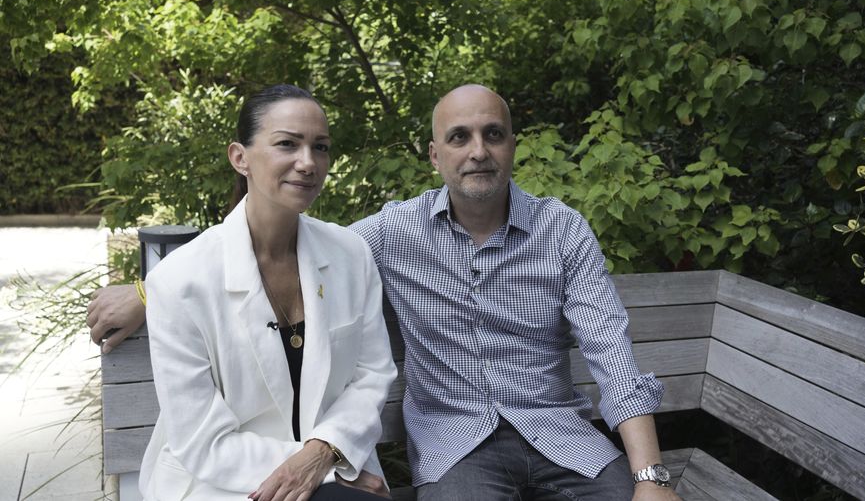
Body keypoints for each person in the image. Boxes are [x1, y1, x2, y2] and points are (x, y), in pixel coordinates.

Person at [90, 84, 680, 500]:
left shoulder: (561, 230)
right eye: (459, 137)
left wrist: (650, 476)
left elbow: (612, 354)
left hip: (563, 439)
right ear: (435, 156)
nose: (478, 151)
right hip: (459, 447)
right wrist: (150, 290)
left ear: (512, 146)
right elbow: (251, 243)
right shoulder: (393, 233)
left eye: (493, 135)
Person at [132, 84, 397, 501]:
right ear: (240, 158)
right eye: (287, 144)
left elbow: (373, 374)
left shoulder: (350, 253)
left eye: (320, 147)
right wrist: (323, 471)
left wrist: (325, 454)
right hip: (223, 482)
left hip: (333, 464)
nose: (308, 162)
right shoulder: (180, 281)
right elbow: (204, 441)